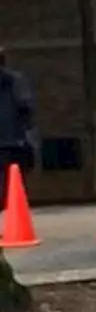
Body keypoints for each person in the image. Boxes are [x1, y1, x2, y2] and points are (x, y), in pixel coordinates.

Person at [0, 46, 37, 213]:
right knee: (12, 186)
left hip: (11, 141)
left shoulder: (14, 80)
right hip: (12, 141)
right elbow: (26, 108)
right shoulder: (15, 80)